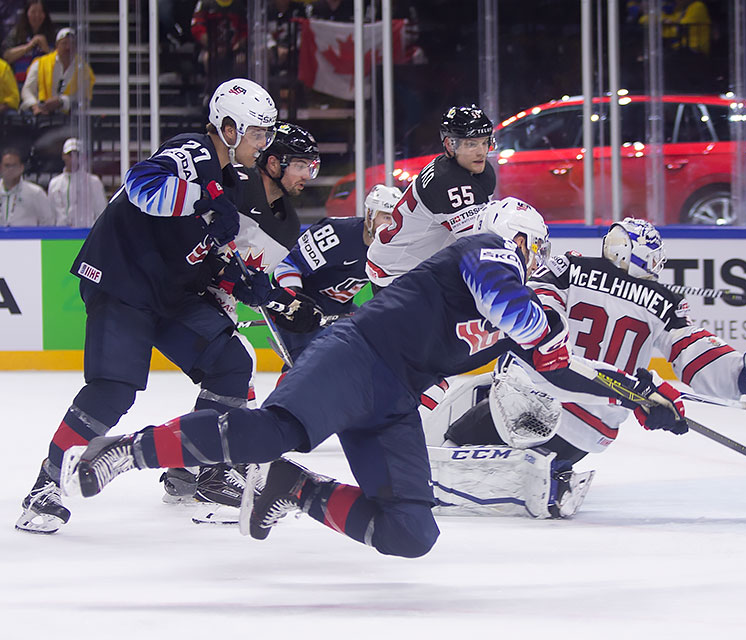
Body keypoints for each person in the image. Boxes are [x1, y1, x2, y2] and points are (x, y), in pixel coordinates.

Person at [61, 198, 688, 558]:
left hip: (392, 397)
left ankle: (295, 490)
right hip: (357, 353)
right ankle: (132, 450)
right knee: (271, 430)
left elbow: (565, 368)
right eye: (536, 248)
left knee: (411, 531)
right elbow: (512, 309)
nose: (538, 261)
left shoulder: (519, 311)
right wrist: (545, 329)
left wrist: (639, 394)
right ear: (519, 238)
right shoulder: (484, 250)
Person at [14, 78, 278, 534]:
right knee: (113, 390)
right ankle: (47, 484)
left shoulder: (231, 182)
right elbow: (141, 184)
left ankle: (207, 471)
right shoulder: (192, 151)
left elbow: (201, 251)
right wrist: (206, 199)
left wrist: (238, 280)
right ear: (229, 128)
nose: (264, 143)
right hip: (122, 283)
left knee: (231, 362)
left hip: (170, 295)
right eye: (258, 133)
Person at [435, 218, 746, 518]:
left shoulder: (569, 268)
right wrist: (744, 378)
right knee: (536, 455)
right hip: (589, 432)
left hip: (536, 400)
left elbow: (536, 325)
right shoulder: (665, 303)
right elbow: (697, 359)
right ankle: (551, 474)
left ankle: (539, 481)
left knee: (451, 448)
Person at [158, 120, 323, 511]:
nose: (307, 175)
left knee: (234, 366)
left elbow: (248, 279)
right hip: (171, 286)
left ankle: (191, 465)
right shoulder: (233, 183)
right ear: (271, 161)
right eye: (300, 164)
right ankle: (205, 464)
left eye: (311, 167)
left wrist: (279, 300)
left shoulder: (288, 224)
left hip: (210, 294)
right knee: (236, 363)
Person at [365, 104, 497, 289]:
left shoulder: (476, 172)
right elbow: (477, 245)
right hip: (396, 273)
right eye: (471, 144)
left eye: (484, 142)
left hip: (413, 265)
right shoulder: (446, 181)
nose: (481, 151)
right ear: (450, 145)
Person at [272, 183, 401, 362]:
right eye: (386, 217)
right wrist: (295, 299)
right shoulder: (337, 234)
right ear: (370, 215)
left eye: (397, 220)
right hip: (303, 308)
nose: (391, 226)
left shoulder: (395, 250)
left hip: (341, 309)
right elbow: (287, 261)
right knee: (307, 368)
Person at [19, 27, 95, 116]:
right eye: (64, 43)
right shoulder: (40, 64)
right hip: (40, 114)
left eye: (72, 44)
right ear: (57, 46)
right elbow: (27, 90)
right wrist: (35, 106)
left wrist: (61, 101)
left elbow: (84, 96)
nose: (68, 48)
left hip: (71, 117)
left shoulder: (83, 69)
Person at [46, 137, 108, 226]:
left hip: (86, 233)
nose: (73, 158)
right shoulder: (55, 184)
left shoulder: (94, 182)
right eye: (70, 155)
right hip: (61, 235)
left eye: (77, 155)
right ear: (63, 156)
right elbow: (51, 215)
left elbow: (101, 212)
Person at [1, 0, 55, 85]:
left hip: (45, 83)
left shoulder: (52, 34)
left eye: (40, 12)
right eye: (33, 12)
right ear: (27, 13)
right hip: (19, 83)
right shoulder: (16, 33)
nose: (37, 16)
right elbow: (6, 56)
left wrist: (47, 49)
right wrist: (28, 47)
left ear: (45, 15)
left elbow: (60, 59)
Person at [1, 146, 54, 226]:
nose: (10, 169)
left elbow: (48, 222)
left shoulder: (35, 193)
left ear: (21, 168)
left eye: (14, 166)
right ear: (1, 168)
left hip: (28, 238)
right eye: (7, 166)